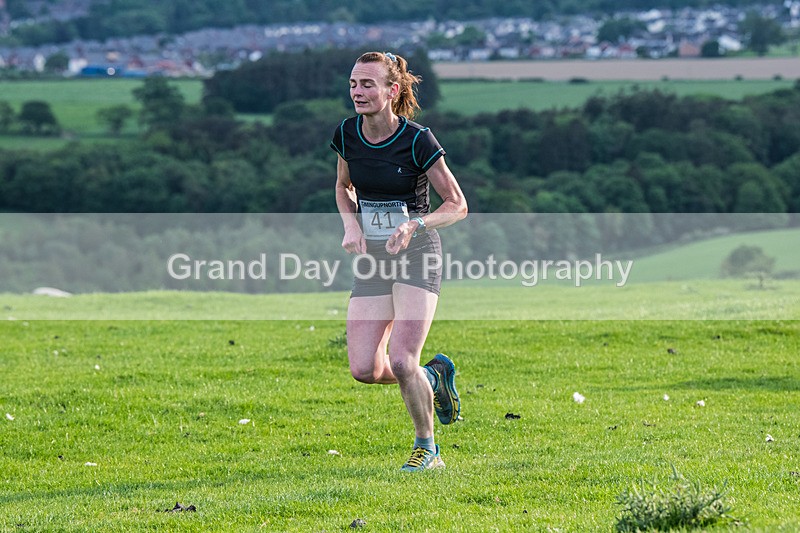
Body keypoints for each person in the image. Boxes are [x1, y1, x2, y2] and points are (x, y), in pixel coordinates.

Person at [330, 51, 468, 472]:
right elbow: (342, 186)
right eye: (354, 83)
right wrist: (351, 225)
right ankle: (432, 377)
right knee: (365, 369)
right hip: (373, 258)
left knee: (403, 358)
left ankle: (427, 449)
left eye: (368, 84)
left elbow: (458, 205)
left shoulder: (417, 139)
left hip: (417, 254)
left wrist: (416, 225)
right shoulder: (347, 134)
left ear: (392, 91)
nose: (358, 91)